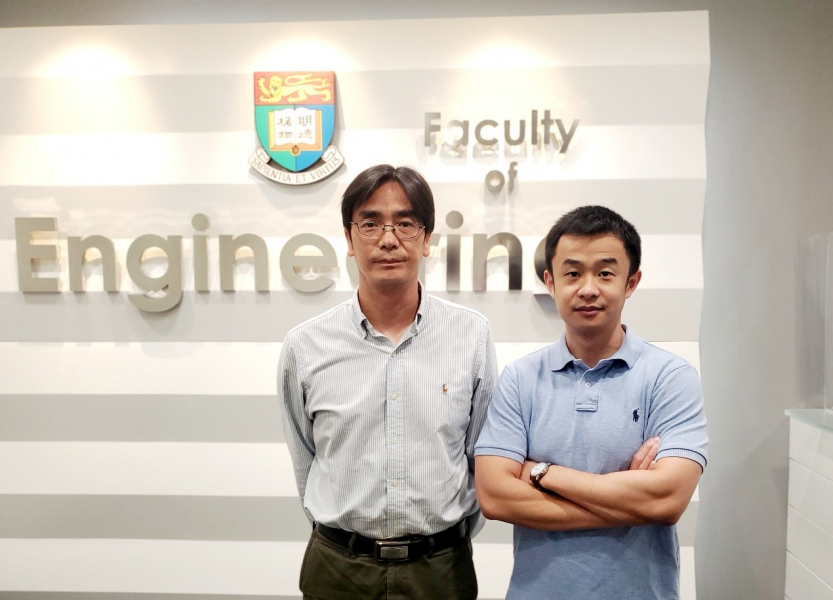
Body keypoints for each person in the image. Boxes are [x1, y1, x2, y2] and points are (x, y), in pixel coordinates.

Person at [279, 164, 497, 600]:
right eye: (371, 223)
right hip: (338, 570)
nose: (389, 239)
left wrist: (442, 540)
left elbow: (480, 457)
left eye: (405, 223)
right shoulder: (305, 345)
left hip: (441, 570)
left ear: (427, 239)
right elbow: (306, 461)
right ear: (348, 238)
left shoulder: (471, 335)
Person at [474, 205, 708, 600]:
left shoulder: (670, 377)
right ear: (550, 282)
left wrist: (542, 473)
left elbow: (667, 500)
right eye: (572, 274)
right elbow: (494, 497)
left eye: (604, 273)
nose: (587, 288)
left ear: (631, 282)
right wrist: (628, 502)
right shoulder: (520, 379)